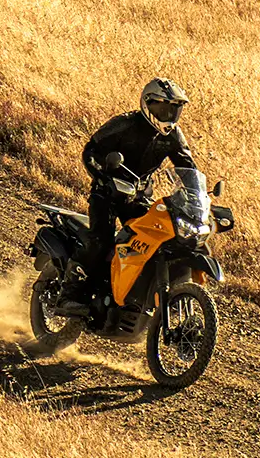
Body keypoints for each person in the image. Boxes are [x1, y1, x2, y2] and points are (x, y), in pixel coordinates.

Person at [77, 77, 196, 313]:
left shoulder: (173, 135)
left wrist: (195, 195)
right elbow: (90, 151)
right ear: (148, 104)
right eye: (164, 108)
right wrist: (102, 178)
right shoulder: (125, 124)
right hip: (108, 194)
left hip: (139, 196)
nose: (168, 115)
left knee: (155, 239)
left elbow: (188, 167)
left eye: (174, 109)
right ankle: (73, 293)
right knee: (100, 241)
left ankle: (136, 293)